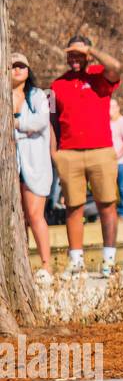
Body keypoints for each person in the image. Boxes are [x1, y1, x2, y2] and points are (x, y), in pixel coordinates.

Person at [48, 34, 123, 278]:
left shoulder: (100, 76)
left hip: (100, 150)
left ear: (88, 55)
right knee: (73, 207)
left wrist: (92, 50)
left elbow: (116, 67)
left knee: (107, 204)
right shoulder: (57, 85)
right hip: (69, 152)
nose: (75, 59)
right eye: (71, 54)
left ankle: (109, 261)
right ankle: (76, 262)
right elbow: (51, 121)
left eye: (79, 54)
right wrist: (54, 152)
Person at [11, 52, 53, 283]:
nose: (17, 70)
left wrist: (16, 122)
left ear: (28, 71)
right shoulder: (4, 95)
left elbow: (41, 121)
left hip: (35, 163)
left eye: (22, 66)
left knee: (35, 215)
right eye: (12, 66)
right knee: (16, 218)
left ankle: (46, 266)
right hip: (12, 165)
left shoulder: (37, 95)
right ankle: (23, 264)